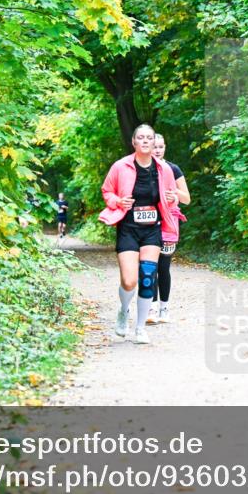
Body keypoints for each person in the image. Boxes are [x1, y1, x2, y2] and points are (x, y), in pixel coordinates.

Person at [99, 124, 180, 344]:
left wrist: (172, 200)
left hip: (153, 228)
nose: (145, 141)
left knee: (147, 277)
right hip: (127, 227)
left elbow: (172, 197)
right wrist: (117, 201)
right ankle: (123, 311)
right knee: (129, 280)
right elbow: (107, 191)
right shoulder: (120, 166)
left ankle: (141, 327)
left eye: (149, 138)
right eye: (141, 138)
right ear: (133, 142)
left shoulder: (164, 170)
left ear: (155, 143)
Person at [147, 133, 190, 324]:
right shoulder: (142, 168)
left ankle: (164, 308)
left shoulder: (173, 169)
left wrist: (174, 194)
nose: (157, 150)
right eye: (154, 146)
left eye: (160, 146)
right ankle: (151, 309)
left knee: (163, 267)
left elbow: (187, 199)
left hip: (168, 224)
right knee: (149, 267)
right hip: (147, 222)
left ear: (165, 147)